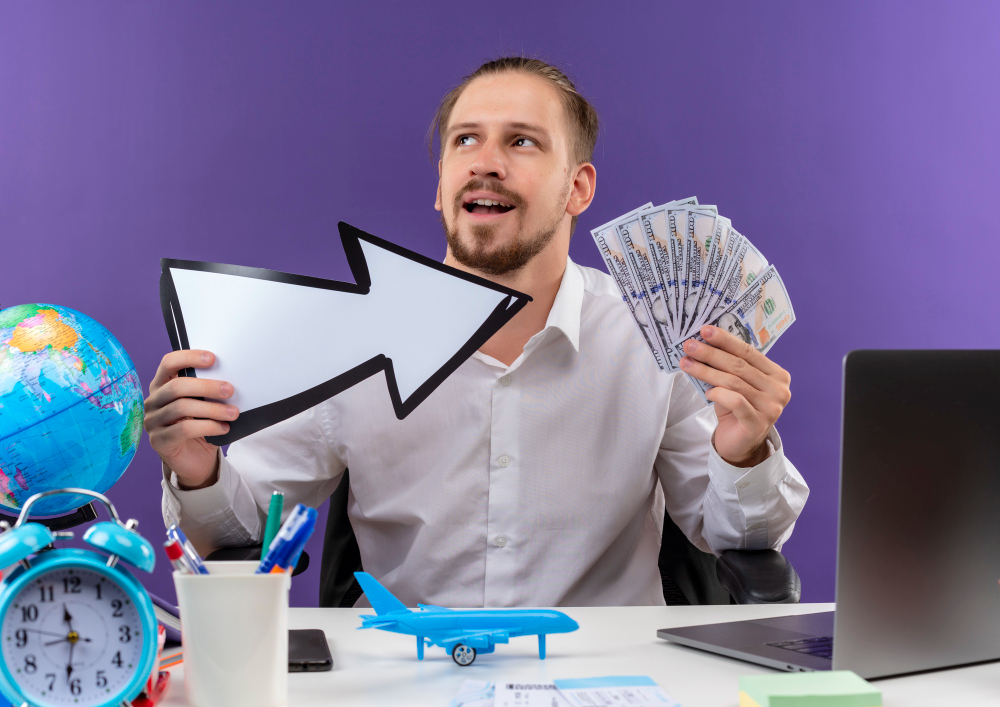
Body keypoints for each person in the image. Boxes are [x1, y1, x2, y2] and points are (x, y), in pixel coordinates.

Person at [145, 57, 808, 607]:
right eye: (465, 140)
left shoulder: (659, 341)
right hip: (405, 673)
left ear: (578, 188)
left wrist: (743, 454)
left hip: (604, 677)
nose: (484, 162)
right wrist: (197, 468)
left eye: (521, 141)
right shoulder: (353, 335)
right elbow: (234, 532)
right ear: (440, 187)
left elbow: (740, 535)